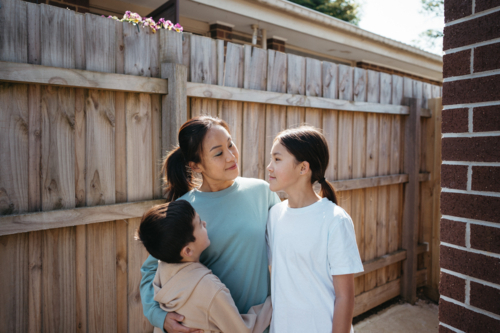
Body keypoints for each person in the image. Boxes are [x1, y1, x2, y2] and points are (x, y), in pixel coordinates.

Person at [140, 116, 281, 333]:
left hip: (262, 324)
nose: (231, 156)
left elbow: (287, 251)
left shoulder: (262, 192)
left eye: (230, 144)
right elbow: (151, 270)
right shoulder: (183, 209)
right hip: (209, 327)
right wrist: (160, 317)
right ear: (196, 165)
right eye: (218, 153)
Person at [266, 126, 364, 333]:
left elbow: (344, 296)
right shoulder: (274, 215)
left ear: (303, 168)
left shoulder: (335, 220)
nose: (269, 167)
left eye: (277, 159)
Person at [136, 200, 272, 333]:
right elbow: (243, 330)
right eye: (200, 223)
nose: (205, 223)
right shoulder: (211, 290)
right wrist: (271, 304)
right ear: (188, 251)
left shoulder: (162, 269)